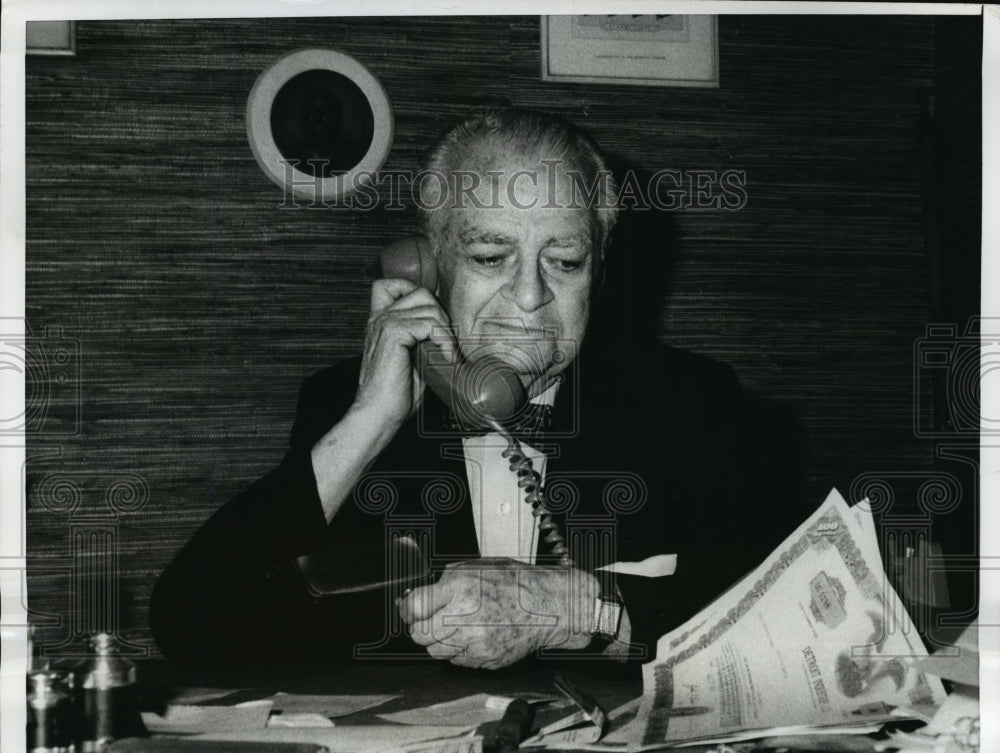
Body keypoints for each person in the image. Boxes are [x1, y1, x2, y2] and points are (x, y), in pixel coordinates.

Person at [151, 108, 799, 669]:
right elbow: (194, 626)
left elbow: (784, 623)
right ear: (426, 268)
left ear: (597, 274)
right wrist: (373, 419)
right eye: (491, 258)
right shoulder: (345, 406)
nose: (529, 296)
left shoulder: (694, 404)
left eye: (564, 262)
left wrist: (574, 609)